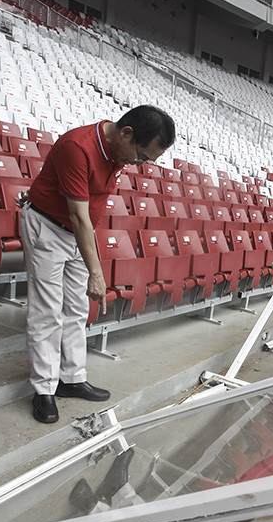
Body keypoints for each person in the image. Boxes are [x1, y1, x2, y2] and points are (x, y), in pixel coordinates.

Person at [19, 105, 176, 423]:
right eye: (142, 156)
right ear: (126, 132)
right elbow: (77, 214)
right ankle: (44, 389)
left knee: (76, 309)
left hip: (78, 231)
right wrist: (96, 273)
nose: (139, 164)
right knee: (47, 312)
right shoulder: (77, 147)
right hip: (47, 226)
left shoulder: (119, 151)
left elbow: (86, 214)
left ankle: (72, 379)